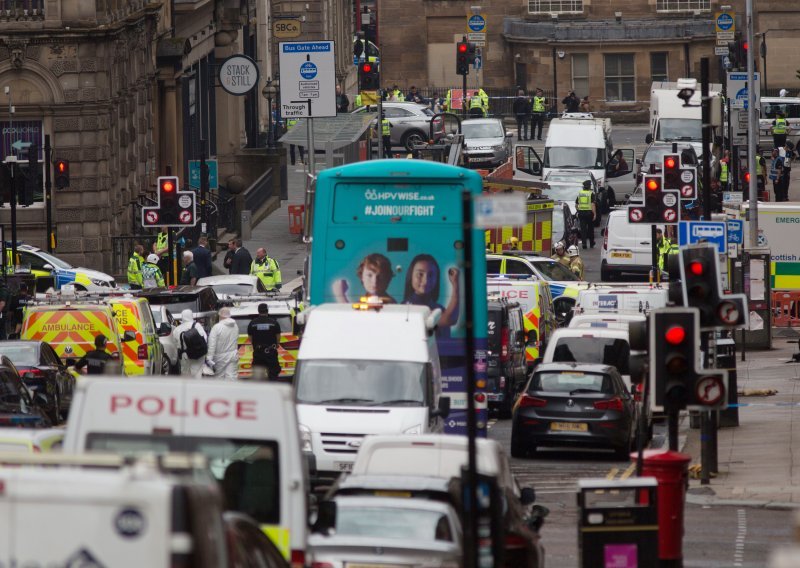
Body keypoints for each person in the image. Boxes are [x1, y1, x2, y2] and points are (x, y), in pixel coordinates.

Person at [402, 254, 459, 329]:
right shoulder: (406, 308)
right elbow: (449, 319)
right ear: (411, 276)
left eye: (431, 275)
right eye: (420, 274)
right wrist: (456, 284)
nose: (426, 281)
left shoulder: (439, 308)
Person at [247, 303, 282, 380]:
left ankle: (260, 390)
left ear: (258, 311)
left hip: (258, 353)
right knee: (273, 373)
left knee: (258, 375)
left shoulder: (252, 323)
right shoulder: (274, 322)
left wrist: (255, 345)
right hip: (271, 353)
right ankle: (272, 390)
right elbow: (278, 336)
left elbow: (250, 337)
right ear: (267, 311)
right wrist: (277, 344)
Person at [206, 307, 240, 380]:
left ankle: (221, 391)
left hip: (220, 357)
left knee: (219, 377)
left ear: (220, 316)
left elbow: (212, 345)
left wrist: (209, 358)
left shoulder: (216, 327)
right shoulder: (235, 326)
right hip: (233, 355)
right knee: (232, 377)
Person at [174, 309, 208, 378]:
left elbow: (175, 344)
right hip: (198, 354)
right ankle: (196, 387)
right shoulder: (197, 326)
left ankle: (188, 388)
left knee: (186, 375)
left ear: (182, 317)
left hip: (184, 356)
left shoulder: (177, 329)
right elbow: (204, 338)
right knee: (197, 373)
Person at [575, 180, 596, 249]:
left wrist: (578, 211)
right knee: (590, 229)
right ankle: (591, 243)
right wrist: (594, 214)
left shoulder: (580, 193)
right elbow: (593, 205)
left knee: (583, 229)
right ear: (589, 186)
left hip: (581, 213)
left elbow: (576, 205)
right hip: (589, 213)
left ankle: (584, 244)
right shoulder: (591, 194)